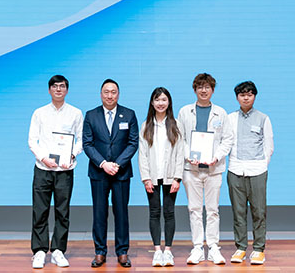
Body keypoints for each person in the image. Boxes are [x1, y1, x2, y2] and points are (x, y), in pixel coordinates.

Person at [176, 73, 234, 265]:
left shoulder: (221, 113)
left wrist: (216, 156)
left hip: (213, 169)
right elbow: (180, 138)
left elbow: (227, 139)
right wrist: (188, 155)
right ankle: (197, 247)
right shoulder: (185, 112)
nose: (203, 90)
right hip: (191, 169)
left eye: (207, 87)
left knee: (212, 210)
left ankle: (214, 247)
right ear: (195, 90)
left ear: (213, 90)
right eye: (200, 87)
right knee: (194, 209)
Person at [28, 75, 84, 269]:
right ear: (49, 90)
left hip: (65, 170)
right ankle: (39, 251)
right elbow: (32, 140)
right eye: (54, 86)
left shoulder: (75, 113)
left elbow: (81, 140)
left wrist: (72, 155)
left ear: (67, 90)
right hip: (43, 169)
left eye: (62, 86)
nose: (58, 89)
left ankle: (58, 250)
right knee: (40, 210)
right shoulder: (39, 113)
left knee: (62, 211)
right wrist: (44, 158)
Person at [83, 79, 139, 268]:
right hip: (98, 173)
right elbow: (87, 144)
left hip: (121, 173)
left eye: (113, 92)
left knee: (121, 213)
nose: (109, 95)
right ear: (101, 94)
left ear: (118, 94)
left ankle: (122, 252)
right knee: (99, 213)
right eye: (106, 92)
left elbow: (133, 143)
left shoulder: (129, 114)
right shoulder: (91, 115)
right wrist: (103, 164)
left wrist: (117, 164)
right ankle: (100, 251)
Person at [227, 81, 274, 265]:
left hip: (257, 171)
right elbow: (226, 142)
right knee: (238, 212)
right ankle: (240, 248)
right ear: (237, 97)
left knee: (259, 211)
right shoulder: (230, 118)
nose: (246, 98)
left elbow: (269, 145)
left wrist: (261, 164)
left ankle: (259, 249)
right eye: (242, 95)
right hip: (235, 170)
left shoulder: (263, 118)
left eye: (249, 94)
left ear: (254, 96)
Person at [138, 87, 183, 267]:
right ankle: (157, 251)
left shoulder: (176, 124)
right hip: (152, 176)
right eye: (157, 100)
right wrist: (146, 178)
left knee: (169, 212)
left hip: (171, 176)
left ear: (169, 102)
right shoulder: (146, 125)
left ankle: (168, 251)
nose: (160, 103)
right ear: (152, 102)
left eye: (164, 99)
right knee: (154, 212)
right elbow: (142, 154)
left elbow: (180, 152)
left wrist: (177, 178)